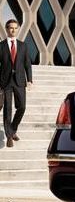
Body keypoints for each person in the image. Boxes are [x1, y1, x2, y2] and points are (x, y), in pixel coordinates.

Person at [0, 19, 32, 148]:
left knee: (22, 107)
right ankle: (9, 137)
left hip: (19, 80)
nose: (13, 30)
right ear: (7, 29)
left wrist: (30, 80)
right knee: (7, 110)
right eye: (11, 28)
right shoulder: (1, 46)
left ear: (18, 29)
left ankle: (13, 129)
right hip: (5, 81)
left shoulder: (23, 45)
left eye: (15, 28)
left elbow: (27, 64)